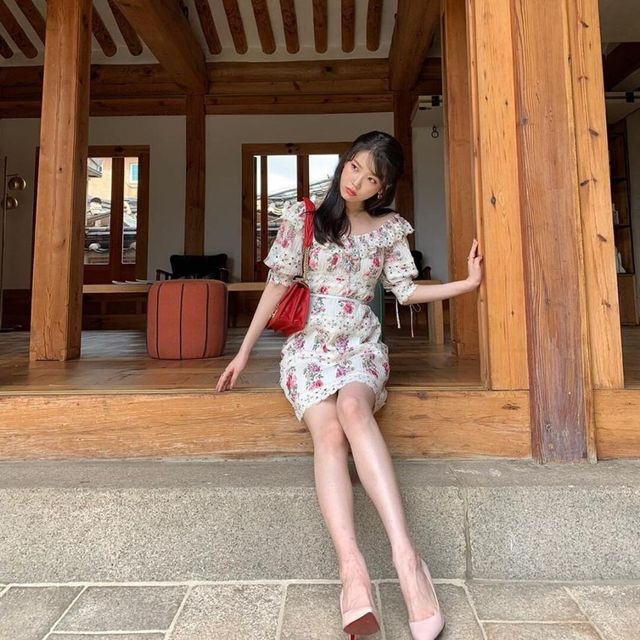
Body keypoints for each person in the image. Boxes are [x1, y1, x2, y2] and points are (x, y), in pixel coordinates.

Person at [216, 131, 483, 639]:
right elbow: (277, 285)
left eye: (371, 177)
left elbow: (405, 291)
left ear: (384, 188)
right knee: (330, 434)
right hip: (309, 349)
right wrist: (244, 352)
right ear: (345, 163)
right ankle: (352, 571)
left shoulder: (388, 229)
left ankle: (408, 560)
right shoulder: (305, 218)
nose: (356, 181)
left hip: (360, 344)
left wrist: (466, 285)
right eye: (354, 166)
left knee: (354, 410)